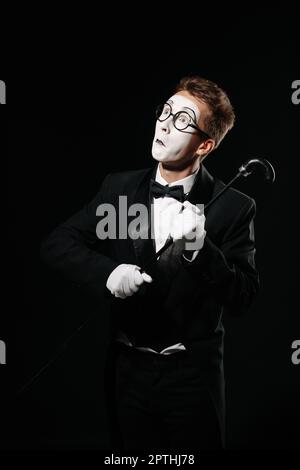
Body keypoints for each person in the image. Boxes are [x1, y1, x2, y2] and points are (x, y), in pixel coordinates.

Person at [41, 76, 259, 451]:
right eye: (166, 111)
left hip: (192, 378)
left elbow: (243, 297)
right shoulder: (118, 188)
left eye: (183, 121)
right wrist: (109, 273)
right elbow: (57, 243)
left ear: (205, 144)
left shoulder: (235, 206)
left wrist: (201, 250)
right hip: (127, 373)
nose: (164, 123)